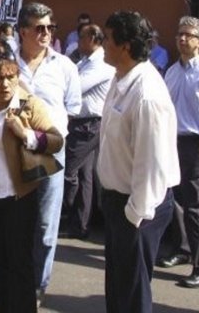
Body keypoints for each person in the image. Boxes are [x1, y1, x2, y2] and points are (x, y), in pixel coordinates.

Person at [98, 11, 178, 313]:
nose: (102, 43)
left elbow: (152, 165)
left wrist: (135, 215)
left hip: (139, 210)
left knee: (132, 296)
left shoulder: (146, 94)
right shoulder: (121, 79)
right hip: (118, 203)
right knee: (118, 291)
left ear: (127, 46)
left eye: (107, 38)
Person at [0, 47, 63, 313]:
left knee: (19, 263)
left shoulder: (28, 104)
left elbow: (56, 140)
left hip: (18, 197)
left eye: (11, 76)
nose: (5, 83)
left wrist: (27, 135)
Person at [15, 2, 81, 306]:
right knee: (15, 221)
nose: (45, 33)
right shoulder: (8, 65)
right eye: (39, 28)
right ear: (23, 31)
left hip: (53, 153)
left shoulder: (64, 66)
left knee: (45, 223)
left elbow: (73, 107)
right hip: (14, 151)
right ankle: (14, 278)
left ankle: (38, 284)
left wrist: (48, 130)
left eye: (50, 28)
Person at [162, 16, 199, 288]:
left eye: (189, 35)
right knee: (175, 201)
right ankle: (183, 248)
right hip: (171, 142)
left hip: (195, 144)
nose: (182, 39)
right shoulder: (172, 71)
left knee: (195, 206)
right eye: (180, 34)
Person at [62, 24, 114, 239]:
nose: (78, 41)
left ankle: (67, 211)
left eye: (82, 37)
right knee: (85, 176)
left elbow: (75, 88)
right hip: (81, 122)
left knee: (68, 170)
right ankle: (80, 225)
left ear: (93, 38)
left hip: (89, 124)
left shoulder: (100, 64)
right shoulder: (84, 61)